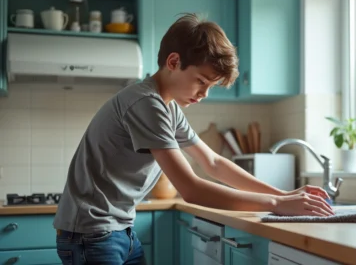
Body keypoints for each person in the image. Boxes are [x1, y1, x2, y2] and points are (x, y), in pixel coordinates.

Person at [53, 13, 335, 264]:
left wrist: (282, 195)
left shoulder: (167, 107)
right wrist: (276, 205)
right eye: (202, 81)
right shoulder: (145, 103)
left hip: (117, 231)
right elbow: (191, 188)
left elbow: (213, 162)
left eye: (210, 86)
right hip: (92, 235)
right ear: (173, 62)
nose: (204, 94)